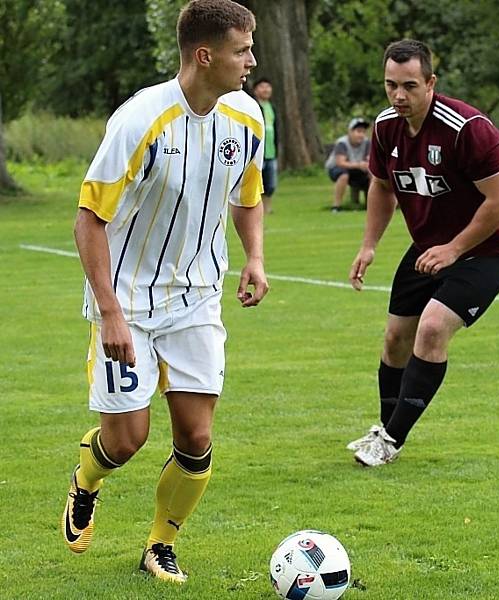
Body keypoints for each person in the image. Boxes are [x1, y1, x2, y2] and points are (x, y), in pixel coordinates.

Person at [62, 0, 268, 584]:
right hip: (127, 300)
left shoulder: (247, 117)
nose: (251, 60)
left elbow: (247, 194)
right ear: (205, 56)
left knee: (197, 437)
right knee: (126, 440)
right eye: (242, 50)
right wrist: (110, 315)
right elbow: (89, 218)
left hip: (198, 296)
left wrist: (253, 257)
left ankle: (160, 544)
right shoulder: (140, 120)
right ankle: (87, 479)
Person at [347, 39, 499, 467]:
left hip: (489, 247)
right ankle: (384, 428)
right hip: (431, 246)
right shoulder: (386, 126)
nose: (398, 96)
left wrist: (454, 248)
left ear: (431, 82)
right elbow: (381, 186)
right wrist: (369, 245)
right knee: (395, 338)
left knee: (431, 330)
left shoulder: (468, 129)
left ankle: (392, 440)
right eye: (391, 85)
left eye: (409, 85)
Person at [325, 117, 371, 212]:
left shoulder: (367, 143)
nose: (361, 135)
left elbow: (370, 158)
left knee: (373, 174)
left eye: (363, 132)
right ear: (350, 132)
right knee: (344, 175)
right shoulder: (342, 143)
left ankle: (371, 205)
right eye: (358, 131)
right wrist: (359, 165)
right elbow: (340, 162)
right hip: (336, 168)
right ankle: (336, 206)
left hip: (358, 168)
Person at [253, 77, 278, 214]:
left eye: (268, 87)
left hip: (271, 152)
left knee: (270, 184)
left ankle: (267, 209)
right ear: (256, 90)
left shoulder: (272, 107)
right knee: (257, 183)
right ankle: (258, 210)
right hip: (258, 152)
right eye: (262, 87)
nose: (266, 89)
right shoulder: (254, 106)